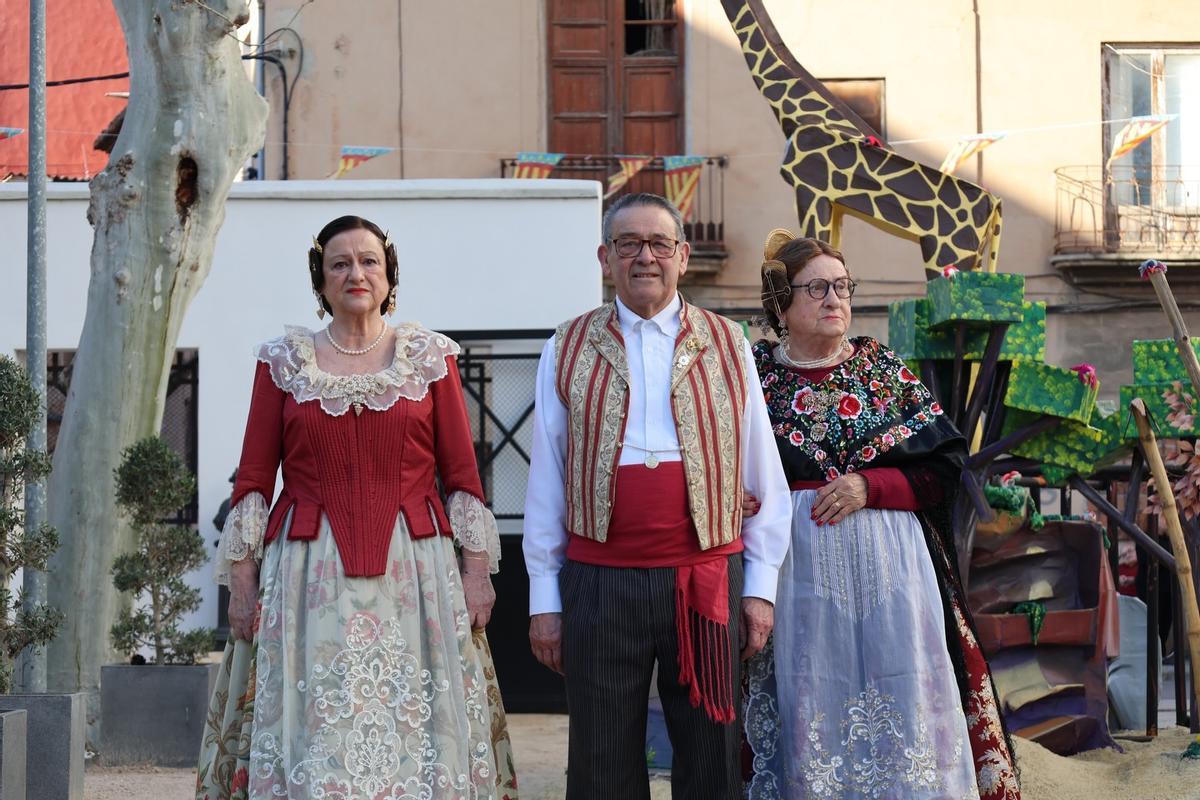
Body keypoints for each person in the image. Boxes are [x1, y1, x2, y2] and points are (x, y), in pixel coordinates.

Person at [195, 215, 518, 799]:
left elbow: (463, 476)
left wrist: (477, 575)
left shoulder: (429, 358)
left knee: (412, 715)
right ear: (320, 280)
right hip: (308, 570)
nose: (355, 273)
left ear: (390, 274)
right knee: (320, 713)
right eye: (339, 263)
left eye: (368, 260)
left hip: (415, 572)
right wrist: (242, 585)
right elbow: (253, 479)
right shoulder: (283, 362)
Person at [523, 193, 792, 799]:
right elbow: (547, 479)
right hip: (599, 583)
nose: (645, 256)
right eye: (629, 244)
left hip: (703, 581)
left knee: (711, 756)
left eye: (659, 244)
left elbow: (762, 473)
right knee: (601, 761)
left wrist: (760, 589)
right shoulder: (565, 346)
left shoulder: (728, 343)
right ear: (605, 257)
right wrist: (544, 595)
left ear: (683, 256)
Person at [742, 231, 1020, 800]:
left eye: (842, 286)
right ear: (780, 303)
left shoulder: (880, 367)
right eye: (817, 287)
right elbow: (724, 462)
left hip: (898, 580)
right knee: (808, 691)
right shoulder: (752, 377)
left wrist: (872, 484)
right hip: (796, 580)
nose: (834, 299)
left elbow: (946, 466)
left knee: (907, 688)